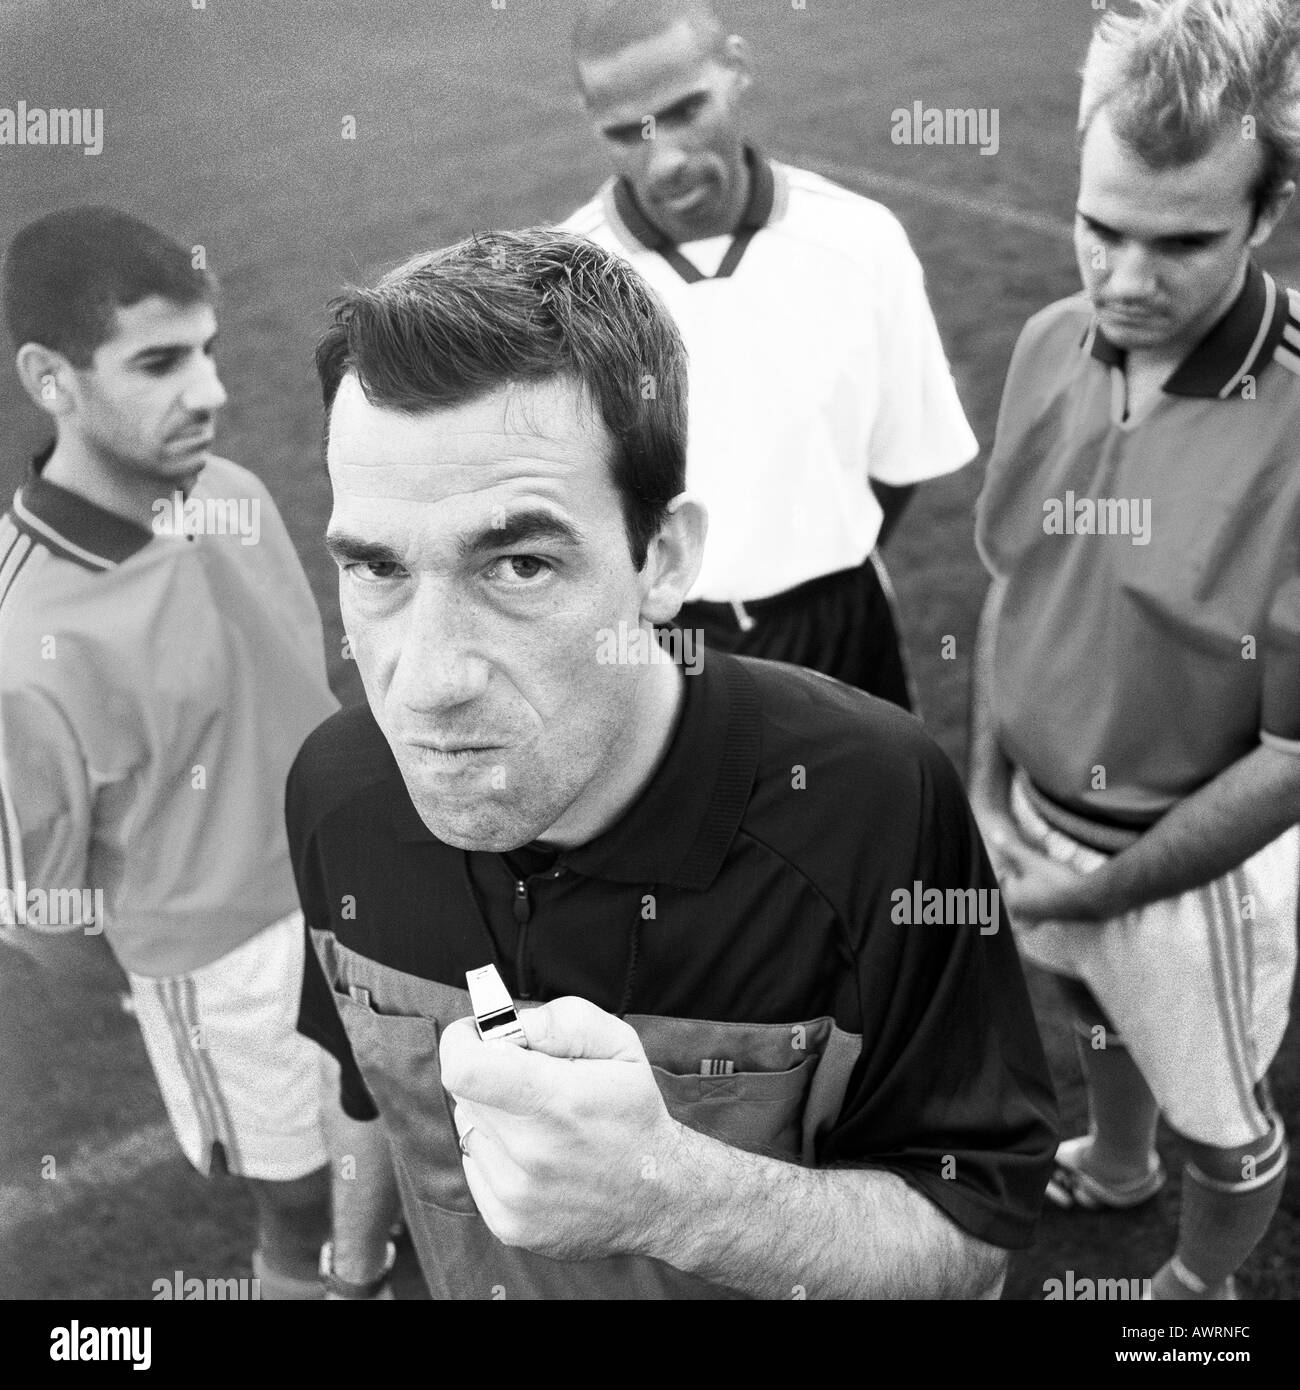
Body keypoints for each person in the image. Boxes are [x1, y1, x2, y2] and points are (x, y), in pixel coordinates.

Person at [291, 226, 1058, 1300]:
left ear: (663, 559)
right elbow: (365, 1084)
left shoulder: (871, 803)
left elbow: (972, 1237)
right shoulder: (338, 792)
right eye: (374, 566)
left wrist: (669, 1192)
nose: (423, 683)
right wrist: (348, 1270)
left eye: (517, 562)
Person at [969, 0, 1300, 1302]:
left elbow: (1288, 759)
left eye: (1181, 242)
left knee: (1229, 1125)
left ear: (1264, 217)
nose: (1123, 278)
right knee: (1093, 1018)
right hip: (1042, 828)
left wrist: (1104, 891)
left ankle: (1195, 1294)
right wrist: (996, 792)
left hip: (1188, 877)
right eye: (1100, 225)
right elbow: (1015, 582)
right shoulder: (1057, 339)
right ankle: (1114, 1161)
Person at [0, 206, 340, 1298]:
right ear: (51, 378)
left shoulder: (229, 494)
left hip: (372, 895)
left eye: (207, 351)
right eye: (159, 362)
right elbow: (42, 917)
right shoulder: (24, 644)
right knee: (310, 1220)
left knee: (439, 1159)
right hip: (230, 976)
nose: (210, 392)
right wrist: (170, 969)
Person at [559, 0, 977, 709]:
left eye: (687, 111)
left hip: (840, 622)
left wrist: (808, 546)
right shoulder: (565, 285)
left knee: (872, 818)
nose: (666, 163)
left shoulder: (860, 242)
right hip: (661, 638)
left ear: (737, 68)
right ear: (588, 116)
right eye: (626, 133)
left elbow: (900, 462)